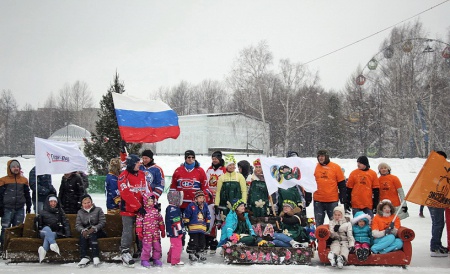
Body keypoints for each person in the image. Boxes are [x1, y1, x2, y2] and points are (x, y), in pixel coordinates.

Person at [118, 154, 148, 267]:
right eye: (137, 162)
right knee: (128, 231)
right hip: (128, 209)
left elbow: (146, 190)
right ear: (131, 164)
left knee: (142, 230)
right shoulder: (123, 176)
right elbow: (126, 194)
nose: (139, 164)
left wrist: (151, 202)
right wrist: (138, 206)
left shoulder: (142, 174)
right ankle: (125, 251)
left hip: (141, 209)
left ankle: (142, 250)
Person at [0, 159, 32, 251]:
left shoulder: (24, 180)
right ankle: (3, 248)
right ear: (9, 168)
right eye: (13, 167)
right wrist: (0, 207)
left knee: (17, 228)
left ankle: (15, 248)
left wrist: (29, 206)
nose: (16, 168)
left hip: (20, 208)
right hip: (7, 208)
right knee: (5, 228)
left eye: (17, 166)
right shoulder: (3, 180)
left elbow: (27, 194)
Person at [313, 149, 347, 226]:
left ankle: (334, 237)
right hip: (318, 200)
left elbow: (342, 184)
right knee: (319, 223)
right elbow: (309, 183)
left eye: (322, 156)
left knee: (335, 223)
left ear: (326, 157)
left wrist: (343, 196)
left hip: (332, 200)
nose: (320, 158)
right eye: (319, 156)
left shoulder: (335, 167)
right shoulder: (315, 167)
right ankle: (319, 237)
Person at [37, 194, 71, 263]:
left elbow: (65, 223)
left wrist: (68, 234)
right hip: (43, 232)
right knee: (46, 229)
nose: (53, 203)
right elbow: (39, 226)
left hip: (56, 232)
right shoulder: (42, 212)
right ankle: (53, 244)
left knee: (49, 234)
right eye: (51, 201)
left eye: (55, 202)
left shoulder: (60, 212)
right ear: (48, 202)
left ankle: (43, 250)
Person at [427, 151, 449, 257]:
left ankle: (436, 244)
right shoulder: (433, 169)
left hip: (435, 199)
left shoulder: (434, 168)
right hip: (435, 199)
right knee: (438, 223)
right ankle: (435, 246)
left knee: (437, 222)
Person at [204, 150, 226, 254]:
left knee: (221, 220)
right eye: (213, 158)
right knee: (210, 218)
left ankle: (224, 243)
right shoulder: (209, 170)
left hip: (221, 198)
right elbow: (206, 183)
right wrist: (208, 192)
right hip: (210, 198)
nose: (214, 160)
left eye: (216, 158)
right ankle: (210, 240)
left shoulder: (224, 170)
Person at [75, 194, 106, 267]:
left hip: (98, 231)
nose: (87, 205)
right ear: (82, 204)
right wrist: (83, 230)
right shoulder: (80, 212)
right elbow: (78, 225)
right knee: (83, 236)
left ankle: (95, 256)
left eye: (88, 202)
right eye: (85, 203)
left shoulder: (98, 209)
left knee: (92, 235)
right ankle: (84, 257)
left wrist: (95, 228)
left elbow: (102, 222)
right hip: (86, 230)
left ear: (91, 202)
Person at [135, 192, 165, 268]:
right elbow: (139, 222)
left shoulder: (156, 211)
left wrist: (162, 229)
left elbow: (160, 220)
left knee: (157, 246)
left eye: (152, 201)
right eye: (149, 201)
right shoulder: (143, 212)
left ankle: (156, 258)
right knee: (147, 247)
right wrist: (139, 232)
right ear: (145, 201)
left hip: (155, 233)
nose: (151, 203)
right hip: (146, 233)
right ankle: (144, 260)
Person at [215, 155, 247, 221]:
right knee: (225, 224)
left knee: (236, 223)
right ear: (226, 166)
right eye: (229, 165)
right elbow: (218, 192)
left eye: (233, 165)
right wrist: (216, 204)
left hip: (237, 206)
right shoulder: (222, 177)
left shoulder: (240, 177)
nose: (232, 167)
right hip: (224, 205)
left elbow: (244, 191)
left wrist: (244, 202)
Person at [184, 190, 211, 263]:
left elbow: (208, 214)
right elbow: (187, 214)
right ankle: (191, 252)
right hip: (193, 228)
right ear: (195, 199)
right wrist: (186, 222)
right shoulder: (191, 206)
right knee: (194, 241)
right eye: (199, 198)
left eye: (202, 198)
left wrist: (208, 223)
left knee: (202, 241)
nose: (201, 199)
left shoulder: (205, 206)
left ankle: (199, 252)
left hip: (202, 227)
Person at [165, 191, 185, 266]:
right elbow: (176, 221)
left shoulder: (170, 208)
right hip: (175, 231)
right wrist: (180, 231)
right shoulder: (174, 209)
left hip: (171, 231)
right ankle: (175, 260)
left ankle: (170, 258)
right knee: (177, 246)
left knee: (173, 245)